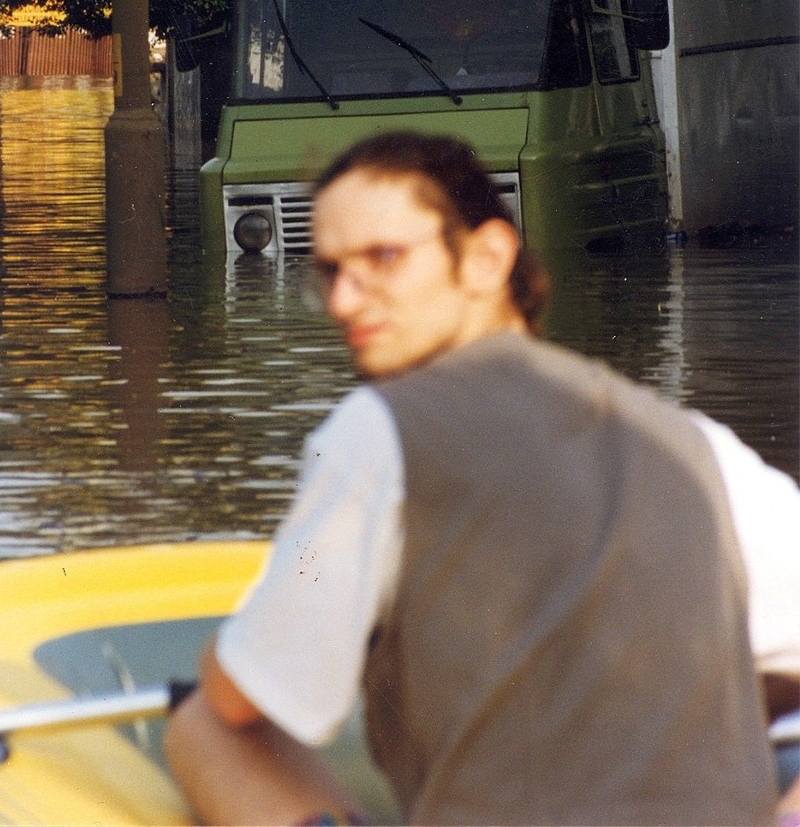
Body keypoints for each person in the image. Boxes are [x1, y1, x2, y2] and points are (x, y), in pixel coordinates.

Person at [165, 131, 800, 826]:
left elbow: (241, 696)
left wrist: (224, 664)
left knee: (201, 724)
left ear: (487, 258)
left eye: (383, 259)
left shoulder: (377, 428)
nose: (346, 301)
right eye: (330, 272)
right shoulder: (698, 445)